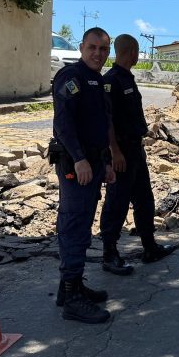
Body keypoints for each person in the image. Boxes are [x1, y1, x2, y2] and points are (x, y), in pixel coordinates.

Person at [51, 27, 115, 324]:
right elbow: (63, 124)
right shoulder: (71, 77)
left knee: (83, 221)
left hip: (93, 162)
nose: (98, 54)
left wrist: (106, 163)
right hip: (76, 164)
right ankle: (72, 299)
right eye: (92, 47)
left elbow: (101, 126)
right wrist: (79, 159)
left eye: (103, 49)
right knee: (74, 224)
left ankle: (69, 288)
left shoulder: (97, 80)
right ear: (81, 47)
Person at [101, 34, 179, 275]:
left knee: (144, 199)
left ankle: (149, 247)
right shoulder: (111, 80)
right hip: (121, 151)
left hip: (135, 150)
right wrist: (115, 152)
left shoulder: (127, 78)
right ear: (133, 52)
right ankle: (109, 254)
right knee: (117, 202)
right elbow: (107, 120)